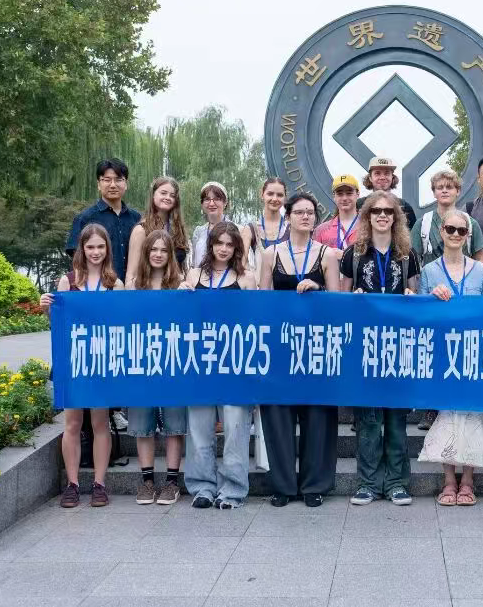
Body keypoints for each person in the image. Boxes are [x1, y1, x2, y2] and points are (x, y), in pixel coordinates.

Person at [258, 192, 341, 507]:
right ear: (288, 216)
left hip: (317, 344)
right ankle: (282, 485)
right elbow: (263, 299)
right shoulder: (271, 254)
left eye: (310, 212)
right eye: (299, 212)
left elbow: (336, 302)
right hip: (280, 345)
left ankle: (314, 485)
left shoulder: (327, 255)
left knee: (317, 415)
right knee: (278, 415)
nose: (306, 217)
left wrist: (318, 289)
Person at [340, 192, 420, 507]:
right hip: (365, 346)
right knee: (369, 419)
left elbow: (415, 294)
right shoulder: (353, 254)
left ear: (396, 217)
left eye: (388, 211)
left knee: (397, 419)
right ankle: (368, 483)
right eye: (376, 211)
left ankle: (397, 483)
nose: (383, 215)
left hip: (399, 345)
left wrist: (412, 296)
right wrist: (354, 298)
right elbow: (342, 300)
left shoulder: (407, 254)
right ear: (368, 216)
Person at [40, 223, 123, 508]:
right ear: (81, 249)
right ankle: (73, 484)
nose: (95, 252)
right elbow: (58, 324)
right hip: (73, 359)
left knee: (100, 422)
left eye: (100, 247)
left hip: (101, 359)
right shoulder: (68, 281)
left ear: (107, 249)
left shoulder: (115, 283)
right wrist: (47, 308)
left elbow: (121, 324)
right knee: (72, 423)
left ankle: (100, 484)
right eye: (90, 247)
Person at [417, 210, 483, 506]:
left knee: (473, 415)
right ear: (441, 232)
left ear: (468, 236)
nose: (455, 234)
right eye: (450, 229)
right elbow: (421, 312)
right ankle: (449, 481)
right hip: (443, 352)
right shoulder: (429, 271)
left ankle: (468, 481)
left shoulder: (479, 270)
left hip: (473, 350)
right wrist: (431, 297)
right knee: (447, 416)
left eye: (461, 231)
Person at [180, 222, 258, 509]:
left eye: (229, 244)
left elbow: (256, 321)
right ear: (210, 245)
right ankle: (202, 487)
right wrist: (180, 293)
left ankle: (233, 491)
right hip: (200, 362)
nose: (224, 249)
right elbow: (182, 316)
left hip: (235, 363)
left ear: (236, 247)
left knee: (236, 429)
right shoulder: (194, 275)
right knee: (199, 429)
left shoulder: (246, 278)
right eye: (219, 243)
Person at [410, 169, 483, 432]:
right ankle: (432, 408)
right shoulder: (423, 223)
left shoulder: (470, 223)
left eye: (449, 186)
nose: (444, 190)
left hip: (466, 292)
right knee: (436, 355)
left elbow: (480, 255)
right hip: (435, 292)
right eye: (439, 187)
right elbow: (413, 259)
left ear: (458, 191)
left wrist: (474, 277)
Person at [126, 230, 187, 506]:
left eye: (164, 250)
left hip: (173, 361)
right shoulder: (133, 287)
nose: (158, 254)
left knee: (175, 423)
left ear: (170, 254)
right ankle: (147, 481)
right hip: (142, 361)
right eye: (153, 249)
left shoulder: (181, 285)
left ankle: (172, 482)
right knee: (142, 424)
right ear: (146, 253)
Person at [66, 158, 141, 283]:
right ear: (98, 184)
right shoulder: (85, 218)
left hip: (133, 288)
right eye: (107, 180)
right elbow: (76, 258)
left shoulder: (137, 218)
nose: (113, 185)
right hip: (100, 288)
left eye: (118, 179)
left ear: (126, 184)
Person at [125, 176, 189, 284]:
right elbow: (131, 274)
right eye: (163, 193)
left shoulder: (178, 230)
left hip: (174, 289)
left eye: (172, 195)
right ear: (153, 195)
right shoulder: (141, 230)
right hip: (149, 290)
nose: (168, 197)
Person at [242, 177, 289, 282]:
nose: (275, 199)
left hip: (286, 288)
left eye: (280, 195)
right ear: (262, 194)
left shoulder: (291, 228)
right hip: (260, 287)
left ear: (285, 198)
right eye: (270, 194)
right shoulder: (251, 228)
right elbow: (242, 262)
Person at [356, 156, 417, 230]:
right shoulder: (359, 205)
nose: (382, 177)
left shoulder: (404, 207)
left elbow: (412, 234)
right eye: (377, 173)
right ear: (370, 178)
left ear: (392, 177)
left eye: (387, 173)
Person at [190, 181, 233, 268]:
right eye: (207, 199)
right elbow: (194, 263)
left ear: (225, 203)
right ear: (202, 204)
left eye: (217, 199)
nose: (211, 203)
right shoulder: (198, 232)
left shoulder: (236, 230)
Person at [315, 174, 361, 253]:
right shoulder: (320, 231)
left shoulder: (369, 226)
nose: (344, 198)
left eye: (349, 193)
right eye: (340, 194)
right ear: (334, 196)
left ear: (357, 194)